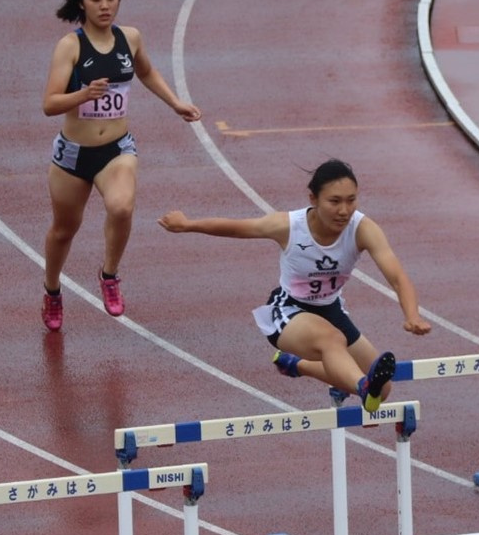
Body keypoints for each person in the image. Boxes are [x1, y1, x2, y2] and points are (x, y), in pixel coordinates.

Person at [158, 159, 431, 411]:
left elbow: (397, 276)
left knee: (383, 390)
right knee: (333, 341)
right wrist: (187, 224)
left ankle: (300, 366)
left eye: (351, 200)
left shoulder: (363, 228)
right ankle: (361, 387)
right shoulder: (288, 225)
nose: (344, 210)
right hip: (289, 310)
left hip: (331, 309)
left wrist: (412, 315)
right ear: (313, 198)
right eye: (334, 201)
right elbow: (237, 227)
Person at [41, 0, 202, 331]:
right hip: (73, 154)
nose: (105, 6)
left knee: (121, 207)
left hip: (116, 149)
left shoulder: (130, 38)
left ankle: (109, 275)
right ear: (81, 3)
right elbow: (50, 104)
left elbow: (146, 71)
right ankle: (52, 290)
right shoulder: (70, 46)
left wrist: (175, 103)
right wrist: (82, 95)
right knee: (64, 230)